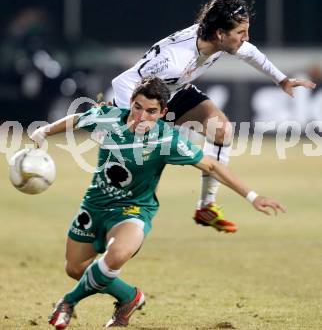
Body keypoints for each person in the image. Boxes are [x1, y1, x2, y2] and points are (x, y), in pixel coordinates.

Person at [31, 76, 285, 329]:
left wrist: (252, 196)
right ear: (130, 103)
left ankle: (68, 302)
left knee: (116, 255)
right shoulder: (108, 117)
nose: (142, 117)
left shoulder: (168, 140)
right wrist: (44, 131)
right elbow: (77, 119)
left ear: (163, 112)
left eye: (151, 111)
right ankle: (129, 298)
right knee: (75, 269)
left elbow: (211, 164)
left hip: (133, 210)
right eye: (138, 107)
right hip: (93, 206)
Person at [111, 0, 315, 233]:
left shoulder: (218, 41)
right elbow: (124, 81)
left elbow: (252, 53)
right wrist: (134, 120)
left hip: (175, 92)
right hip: (147, 101)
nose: (245, 38)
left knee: (221, 130)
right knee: (143, 185)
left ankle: (206, 207)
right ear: (220, 34)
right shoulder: (174, 60)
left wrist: (282, 80)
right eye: (241, 32)